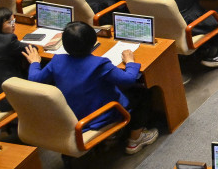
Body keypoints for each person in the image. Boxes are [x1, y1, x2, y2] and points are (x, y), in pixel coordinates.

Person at [26, 21, 158, 154]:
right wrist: (130, 62)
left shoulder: (57, 61)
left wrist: (35, 63)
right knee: (142, 92)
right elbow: (128, 79)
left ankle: (113, 137)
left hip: (71, 115)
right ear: (93, 41)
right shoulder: (99, 64)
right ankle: (135, 140)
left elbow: (34, 79)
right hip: (98, 116)